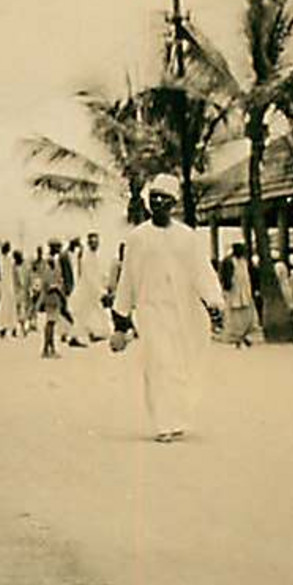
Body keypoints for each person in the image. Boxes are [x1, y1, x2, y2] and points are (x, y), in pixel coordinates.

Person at [110, 173, 227, 444]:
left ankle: (177, 418)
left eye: (164, 198)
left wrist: (214, 301)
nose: (158, 202)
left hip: (184, 310)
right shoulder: (137, 238)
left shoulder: (187, 237)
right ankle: (164, 423)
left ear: (173, 203)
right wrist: (122, 317)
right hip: (151, 311)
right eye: (154, 198)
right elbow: (127, 277)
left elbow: (202, 272)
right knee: (159, 362)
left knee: (181, 364)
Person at [220, 242, 261, 347]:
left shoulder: (245, 261)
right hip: (234, 292)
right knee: (234, 315)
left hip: (245, 292)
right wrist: (227, 289)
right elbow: (225, 277)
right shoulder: (228, 261)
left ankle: (244, 336)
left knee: (247, 315)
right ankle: (235, 337)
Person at [35, 240, 70, 358]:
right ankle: (47, 348)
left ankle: (48, 348)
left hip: (54, 294)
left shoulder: (53, 261)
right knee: (50, 322)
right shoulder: (50, 262)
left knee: (51, 322)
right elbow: (48, 280)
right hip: (52, 294)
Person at [0, 241, 20, 338]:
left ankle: (11, 328)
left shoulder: (8, 260)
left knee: (9, 308)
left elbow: (14, 273)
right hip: (5, 287)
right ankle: (3, 328)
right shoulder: (1, 260)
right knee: (4, 308)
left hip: (9, 286)